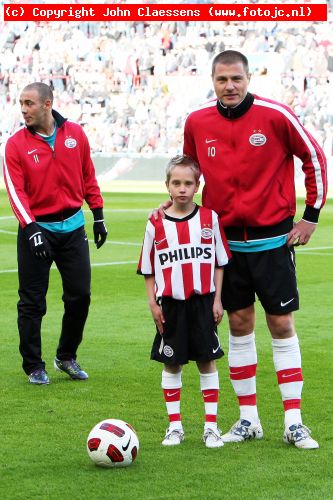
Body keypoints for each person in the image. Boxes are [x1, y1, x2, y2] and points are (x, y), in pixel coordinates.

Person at [157, 50, 327, 449]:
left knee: (281, 323)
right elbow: (189, 171)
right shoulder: (198, 121)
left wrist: (311, 214)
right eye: (222, 80)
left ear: (248, 78)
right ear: (212, 81)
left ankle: (294, 421)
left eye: (236, 78)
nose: (229, 86)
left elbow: (314, 158)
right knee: (238, 325)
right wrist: (173, 206)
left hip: (273, 240)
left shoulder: (276, 115)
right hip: (225, 244)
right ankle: (248, 418)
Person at [3, 82, 108, 385]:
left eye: (29, 103)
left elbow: (88, 174)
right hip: (37, 229)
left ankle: (66, 356)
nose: (23, 109)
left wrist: (98, 215)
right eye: (21, 103)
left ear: (47, 104)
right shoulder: (15, 145)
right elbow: (16, 191)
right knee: (32, 301)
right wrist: (31, 228)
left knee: (80, 296)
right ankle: (34, 365)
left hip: (73, 227)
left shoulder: (75, 134)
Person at [138, 155, 230, 448]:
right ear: (167, 185)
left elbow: (219, 263)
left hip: (202, 303)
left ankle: (211, 427)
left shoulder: (209, 219)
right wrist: (153, 304)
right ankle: (174, 426)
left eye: (188, 183)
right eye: (176, 183)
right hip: (171, 307)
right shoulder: (156, 223)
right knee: (172, 364)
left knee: (207, 362)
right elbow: (148, 268)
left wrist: (218, 300)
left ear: (197, 186)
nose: (182, 188)